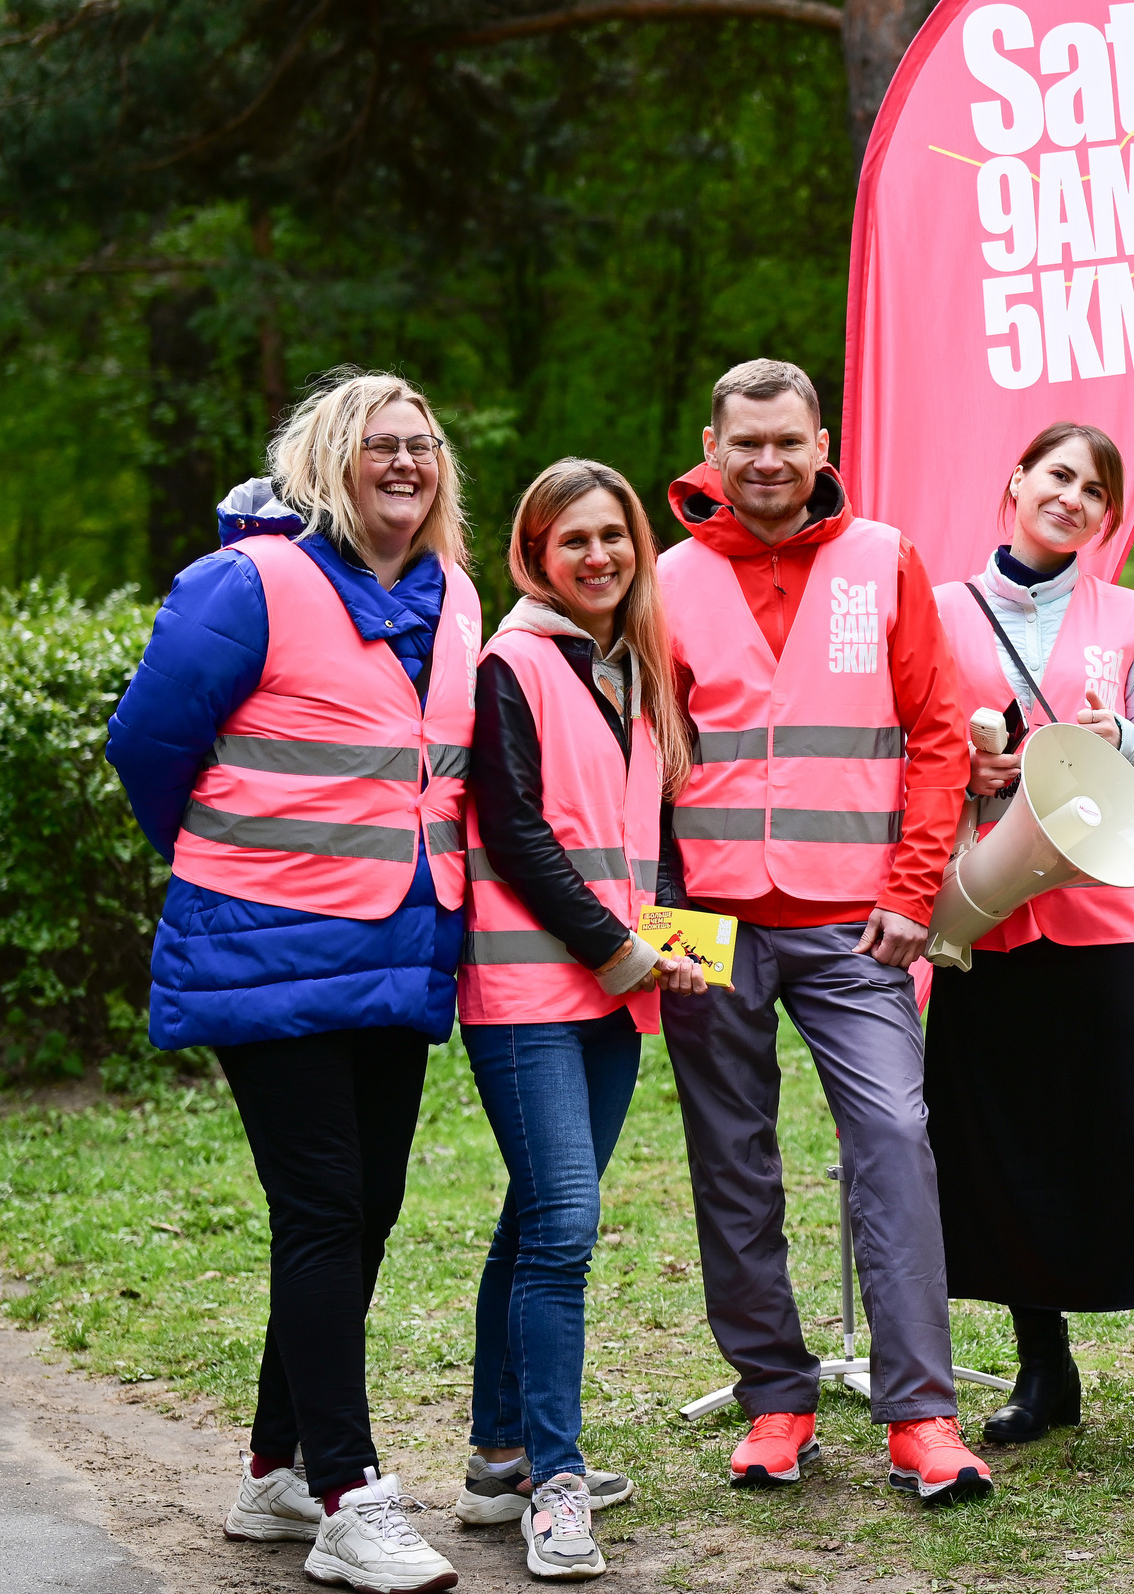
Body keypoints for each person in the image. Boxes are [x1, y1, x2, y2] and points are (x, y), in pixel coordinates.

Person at [106, 368, 476, 1593]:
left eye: (424, 445)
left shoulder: (455, 598)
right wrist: (217, 860)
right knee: (323, 1210)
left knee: (363, 1213)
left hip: (395, 945)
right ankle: (348, 1494)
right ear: (328, 457)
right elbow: (149, 741)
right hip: (266, 950)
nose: (408, 463)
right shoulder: (249, 582)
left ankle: (275, 1467)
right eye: (382, 444)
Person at [655, 359, 991, 1504]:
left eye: (787, 442)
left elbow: (938, 733)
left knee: (894, 1138)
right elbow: (640, 767)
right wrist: (657, 915)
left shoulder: (883, 559)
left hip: (859, 922)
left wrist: (911, 888)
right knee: (730, 1161)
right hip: (703, 920)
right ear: (713, 443)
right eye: (744, 442)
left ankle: (920, 1419)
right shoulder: (662, 579)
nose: (765, 462)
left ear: (820, 443)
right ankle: (775, 1402)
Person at [451, 461, 710, 1578]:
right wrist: (616, 950)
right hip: (527, 995)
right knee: (564, 1224)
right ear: (534, 555)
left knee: (531, 1224)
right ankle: (554, 1485)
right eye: (574, 542)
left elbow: (649, 835)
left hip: (619, 992)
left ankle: (496, 1459)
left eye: (614, 536)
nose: (598, 556)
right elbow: (513, 831)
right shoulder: (510, 663)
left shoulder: (635, 671)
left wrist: (683, 951)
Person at [925, 424, 1134, 1462]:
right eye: (1057, 476)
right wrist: (965, 772)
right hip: (986, 916)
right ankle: (1044, 1372)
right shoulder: (942, 610)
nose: (1073, 498)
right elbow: (911, 750)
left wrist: (1112, 738)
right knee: (1003, 1146)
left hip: (1105, 921)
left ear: (1106, 515)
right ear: (1015, 482)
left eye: (1094, 489)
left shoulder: (1125, 616)